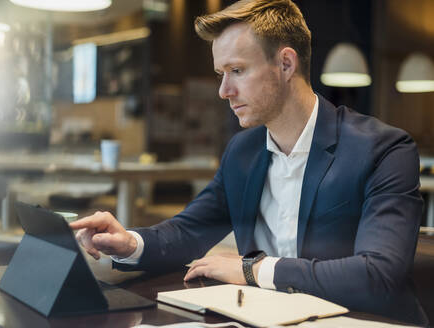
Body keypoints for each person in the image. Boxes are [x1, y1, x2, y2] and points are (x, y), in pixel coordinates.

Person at [70, 0, 427, 325]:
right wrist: (130, 242)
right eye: (220, 74)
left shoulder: (384, 149)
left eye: (237, 70)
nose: (224, 90)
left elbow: (377, 275)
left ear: (286, 64)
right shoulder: (243, 151)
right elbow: (190, 230)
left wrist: (252, 270)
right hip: (262, 316)